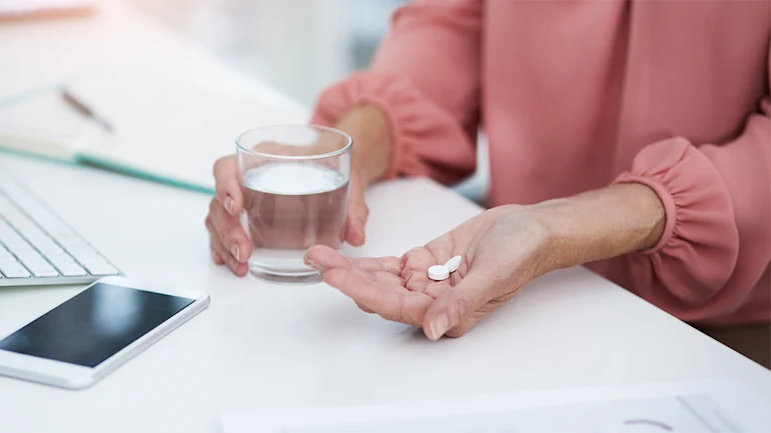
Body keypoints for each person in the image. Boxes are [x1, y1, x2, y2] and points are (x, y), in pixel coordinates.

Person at [207, 0, 770, 366]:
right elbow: (453, 24)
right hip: (520, 304)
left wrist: (556, 229)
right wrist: (349, 150)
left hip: (724, 331)